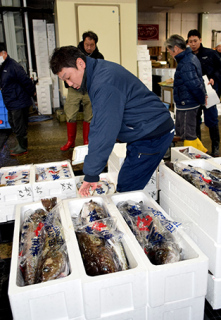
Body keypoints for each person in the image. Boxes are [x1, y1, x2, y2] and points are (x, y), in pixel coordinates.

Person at [50, 46, 175, 196]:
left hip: (152, 133)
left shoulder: (103, 82)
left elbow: (103, 129)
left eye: (68, 77)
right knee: (127, 183)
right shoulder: (97, 72)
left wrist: (91, 174)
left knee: (127, 188)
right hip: (142, 129)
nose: (69, 84)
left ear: (80, 63)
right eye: (65, 81)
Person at [61, 31, 104, 151]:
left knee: (89, 115)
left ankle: (87, 141)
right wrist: (68, 83)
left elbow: (100, 74)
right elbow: (66, 70)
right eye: (87, 44)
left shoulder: (99, 57)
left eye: (92, 45)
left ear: (95, 44)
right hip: (74, 89)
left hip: (89, 90)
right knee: (70, 113)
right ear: (83, 42)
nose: (89, 47)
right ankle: (70, 141)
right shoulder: (74, 54)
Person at [164, 34, 208, 152]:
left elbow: (194, 85)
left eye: (170, 51)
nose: (170, 54)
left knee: (187, 134)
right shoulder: (190, 57)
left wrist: (201, 99)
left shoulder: (185, 63)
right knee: (190, 132)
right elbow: (199, 80)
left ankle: (191, 160)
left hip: (187, 104)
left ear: (176, 49)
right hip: (189, 102)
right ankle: (203, 151)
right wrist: (202, 97)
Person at [188, 29, 221, 157]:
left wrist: (214, 78)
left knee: (212, 120)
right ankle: (199, 148)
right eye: (190, 41)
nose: (193, 44)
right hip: (194, 93)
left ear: (200, 40)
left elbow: (220, 69)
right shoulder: (188, 56)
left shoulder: (211, 54)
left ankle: (216, 147)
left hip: (209, 92)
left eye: (195, 41)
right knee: (195, 120)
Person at [0, 44, 36, 156]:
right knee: (13, 123)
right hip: (10, 101)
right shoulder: (2, 67)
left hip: (18, 101)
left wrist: (32, 93)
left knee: (19, 125)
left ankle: (23, 147)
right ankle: (20, 144)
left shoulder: (13, 66)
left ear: (4, 53)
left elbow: (26, 81)